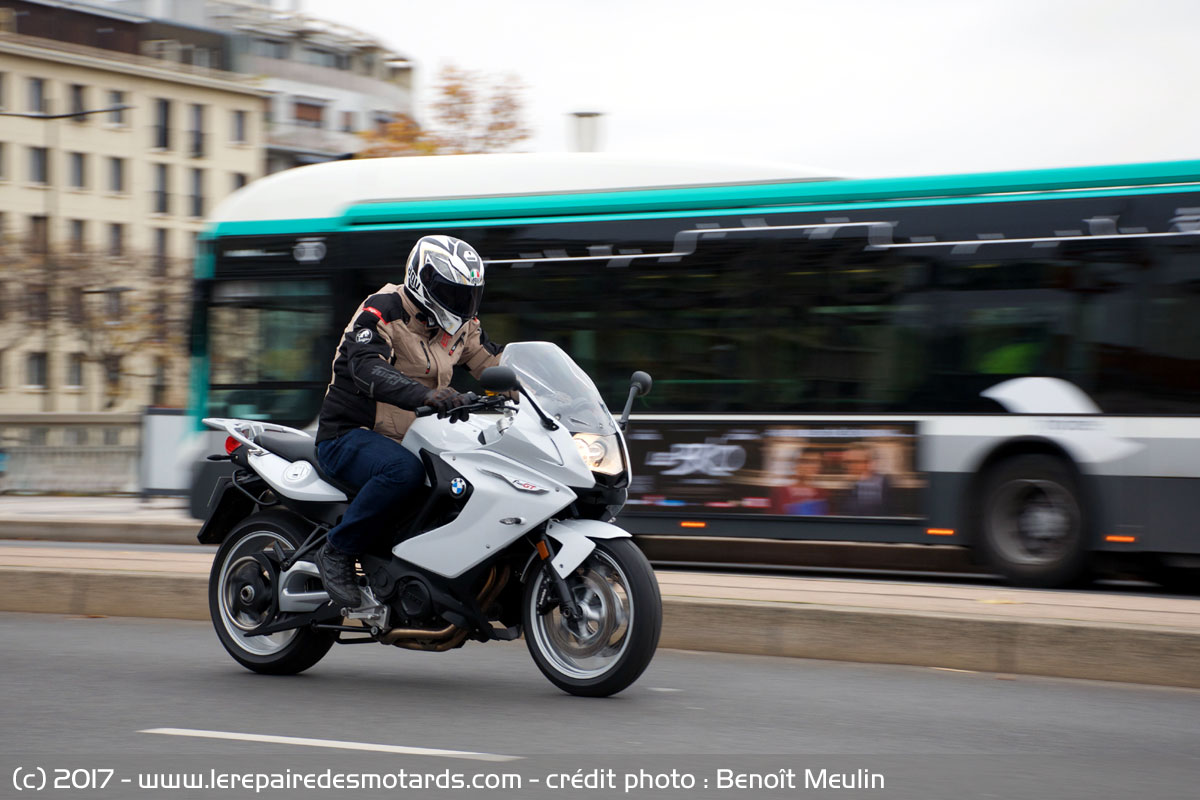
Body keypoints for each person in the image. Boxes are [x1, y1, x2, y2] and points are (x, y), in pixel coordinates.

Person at [314, 235, 505, 609]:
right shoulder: (381, 311)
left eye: (469, 294)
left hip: (417, 437)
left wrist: (547, 397)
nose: (461, 304)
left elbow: (493, 365)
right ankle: (336, 551)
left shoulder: (460, 327)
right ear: (423, 282)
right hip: (350, 434)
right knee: (403, 472)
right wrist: (425, 395)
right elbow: (367, 368)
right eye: (452, 292)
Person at [839, 444, 892, 517]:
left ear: (868, 463)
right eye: (847, 462)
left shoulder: (878, 483)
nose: (849, 466)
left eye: (854, 462)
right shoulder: (852, 484)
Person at [770, 451, 828, 516]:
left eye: (815, 462)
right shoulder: (780, 492)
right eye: (804, 461)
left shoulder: (822, 493)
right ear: (794, 465)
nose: (810, 466)